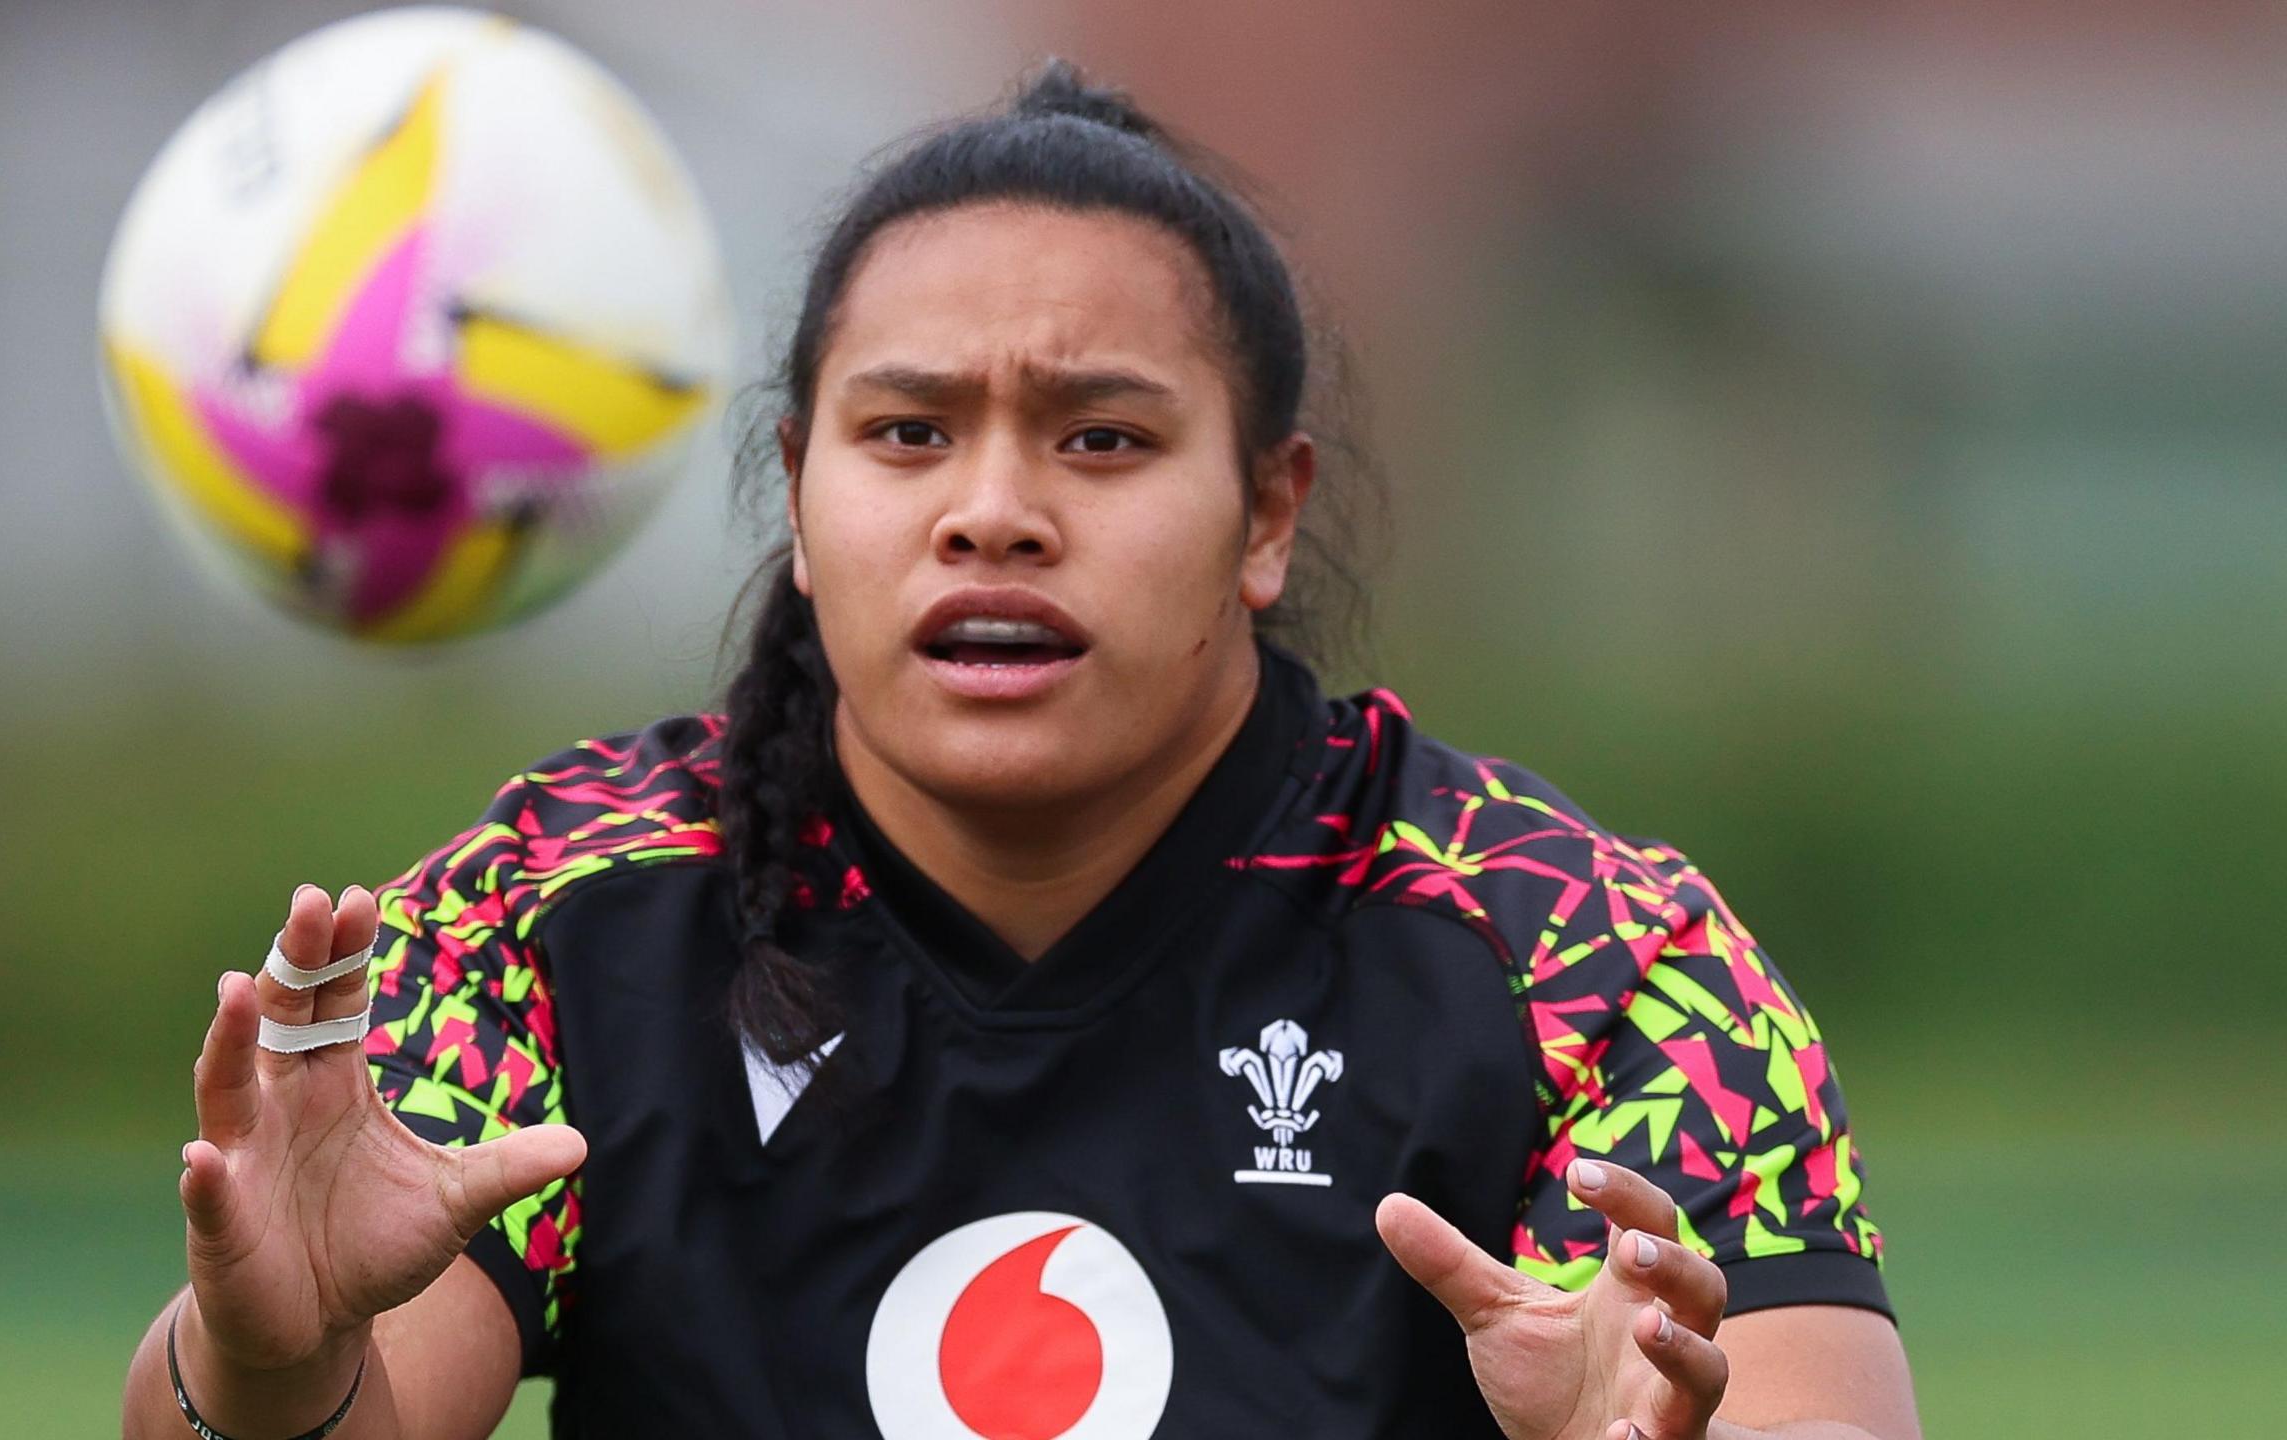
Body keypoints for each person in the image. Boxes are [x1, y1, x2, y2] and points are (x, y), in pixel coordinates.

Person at [121, 62, 1920, 1440]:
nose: (993, 511)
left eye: (1102, 441)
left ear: (1267, 513)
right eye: (908, 433)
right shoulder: (547, 920)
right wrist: (269, 1354)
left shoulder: (1599, 959)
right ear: (803, 502)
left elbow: (1790, 1397)